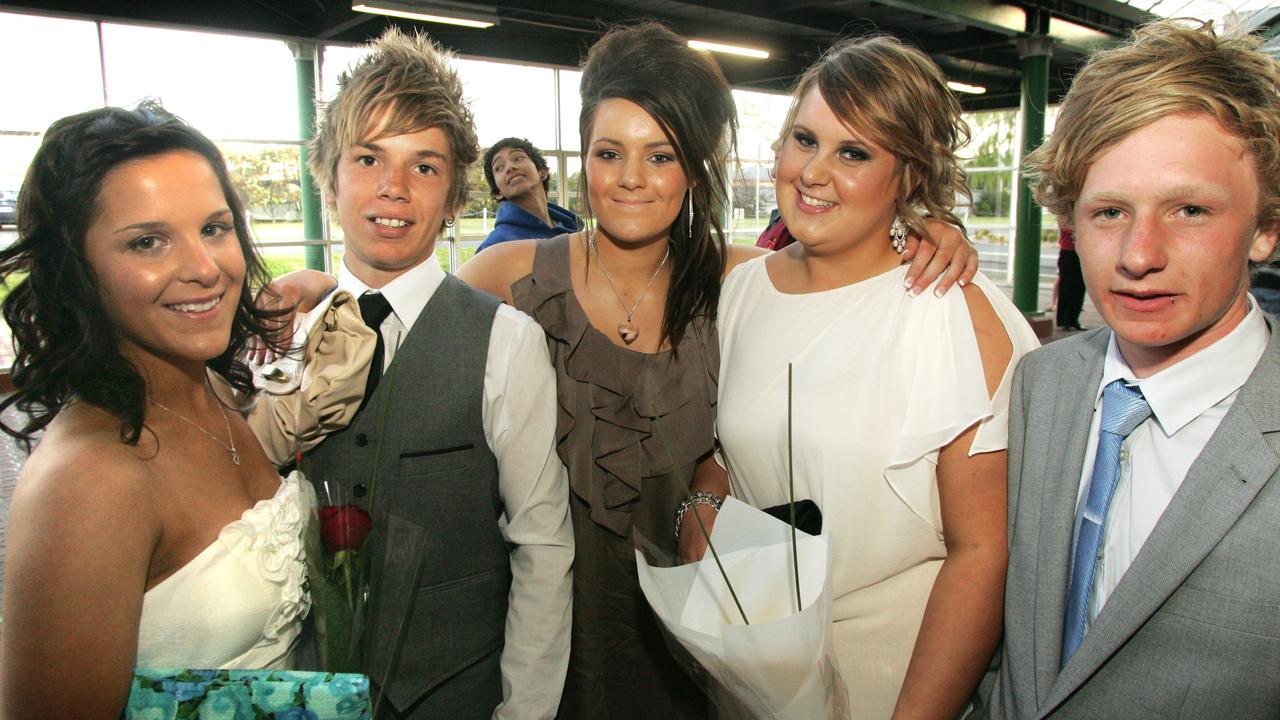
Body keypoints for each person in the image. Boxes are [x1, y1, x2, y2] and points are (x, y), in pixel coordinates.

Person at [458, 23, 980, 719]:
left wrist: (921, 230)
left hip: (701, 644)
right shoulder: (508, 276)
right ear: (581, 160)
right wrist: (321, 288)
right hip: (539, 636)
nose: (631, 178)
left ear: (695, 169)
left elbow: (849, 277)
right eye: (609, 152)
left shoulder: (747, 282)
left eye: (661, 155)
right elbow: (410, 332)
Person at [690, 35, 1039, 719]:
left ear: (909, 175)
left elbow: (983, 552)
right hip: (753, 665)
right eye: (804, 139)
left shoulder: (952, 312)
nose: (814, 172)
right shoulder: (742, 291)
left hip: (894, 680)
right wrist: (702, 546)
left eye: (854, 153)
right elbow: (725, 463)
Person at [0, 103, 371, 717]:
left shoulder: (214, 392)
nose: (204, 269)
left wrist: (319, 282)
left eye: (214, 228)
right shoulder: (90, 479)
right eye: (148, 242)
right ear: (76, 269)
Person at [979, 20, 1280, 719]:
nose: (1140, 254)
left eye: (1190, 209)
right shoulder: (1042, 383)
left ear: (1267, 225)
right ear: (1072, 227)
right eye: (1110, 211)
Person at [302, 27, 573, 720]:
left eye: (424, 167)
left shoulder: (505, 343)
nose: (394, 188)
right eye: (368, 158)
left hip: (454, 694)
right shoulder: (276, 343)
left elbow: (542, 545)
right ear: (328, 176)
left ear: (453, 195)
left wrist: (524, 713)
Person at [477, 137, 582, 252]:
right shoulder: (493, 247)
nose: (510, 167)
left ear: (542, 171)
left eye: (517, 158)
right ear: (497, 192)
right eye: (499, 167)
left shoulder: (575, 232)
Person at [1055, 222, 1086, 331]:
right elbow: (1071, 230)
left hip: (1081, 254)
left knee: (1080, 288)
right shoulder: (1065, 217)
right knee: (1066, 287)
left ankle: (1073, 319)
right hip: (1068, 253)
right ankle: (1064, 320)